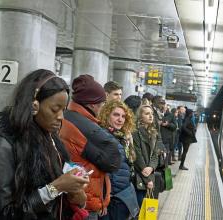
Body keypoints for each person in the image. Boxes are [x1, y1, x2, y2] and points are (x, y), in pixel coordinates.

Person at [0, 69, 89, 219]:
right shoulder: (1, 147)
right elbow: (5, 214)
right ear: (33, 105)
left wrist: (76, 193)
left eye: (63, 110)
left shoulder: (51, 139)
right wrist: (55, 188)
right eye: (55, 109)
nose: (61, 117)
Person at [60, 74, 121, 219]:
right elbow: (113, 161)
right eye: (102, 104)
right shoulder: (87, 128)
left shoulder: (71, 118)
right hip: (85, 200)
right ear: (93, 104)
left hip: (79, 196)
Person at [98, 100, 139, 220]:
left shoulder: (122, 136)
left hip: (122, 194)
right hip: (113, 198)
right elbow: (105, 170)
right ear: (106, 115)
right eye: (116, 115)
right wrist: (106, 197)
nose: (120, 119)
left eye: (123, 116)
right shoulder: (104, 136)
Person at [132, 105, 161, 207]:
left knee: (145, 208)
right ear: (140, 116)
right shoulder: (135, 132)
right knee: (139, 207)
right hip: (139, 176)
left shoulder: (153, 133)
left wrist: (152, 167)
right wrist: (148, 179)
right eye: (147, 114)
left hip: (149, 174)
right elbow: (137, 156)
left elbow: (155, 155)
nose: (150, 116)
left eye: (151, 114)